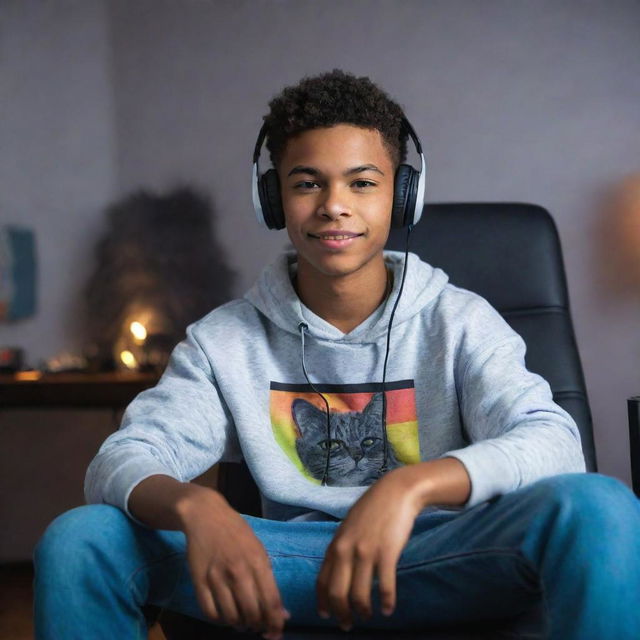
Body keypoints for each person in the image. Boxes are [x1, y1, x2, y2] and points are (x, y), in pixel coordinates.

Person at [34, 69, 640, 640]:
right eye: (306, 183)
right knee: (82, 539)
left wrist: (410, 490)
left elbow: (555, 444)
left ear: (401, 196)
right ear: (273, 200)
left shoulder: (458, 319)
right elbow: (121, 458)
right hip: (288, 568)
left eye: (363, 182)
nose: (333, 205)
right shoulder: (224, 340)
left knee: (600, 506)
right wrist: (196, 508)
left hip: (445, 555)